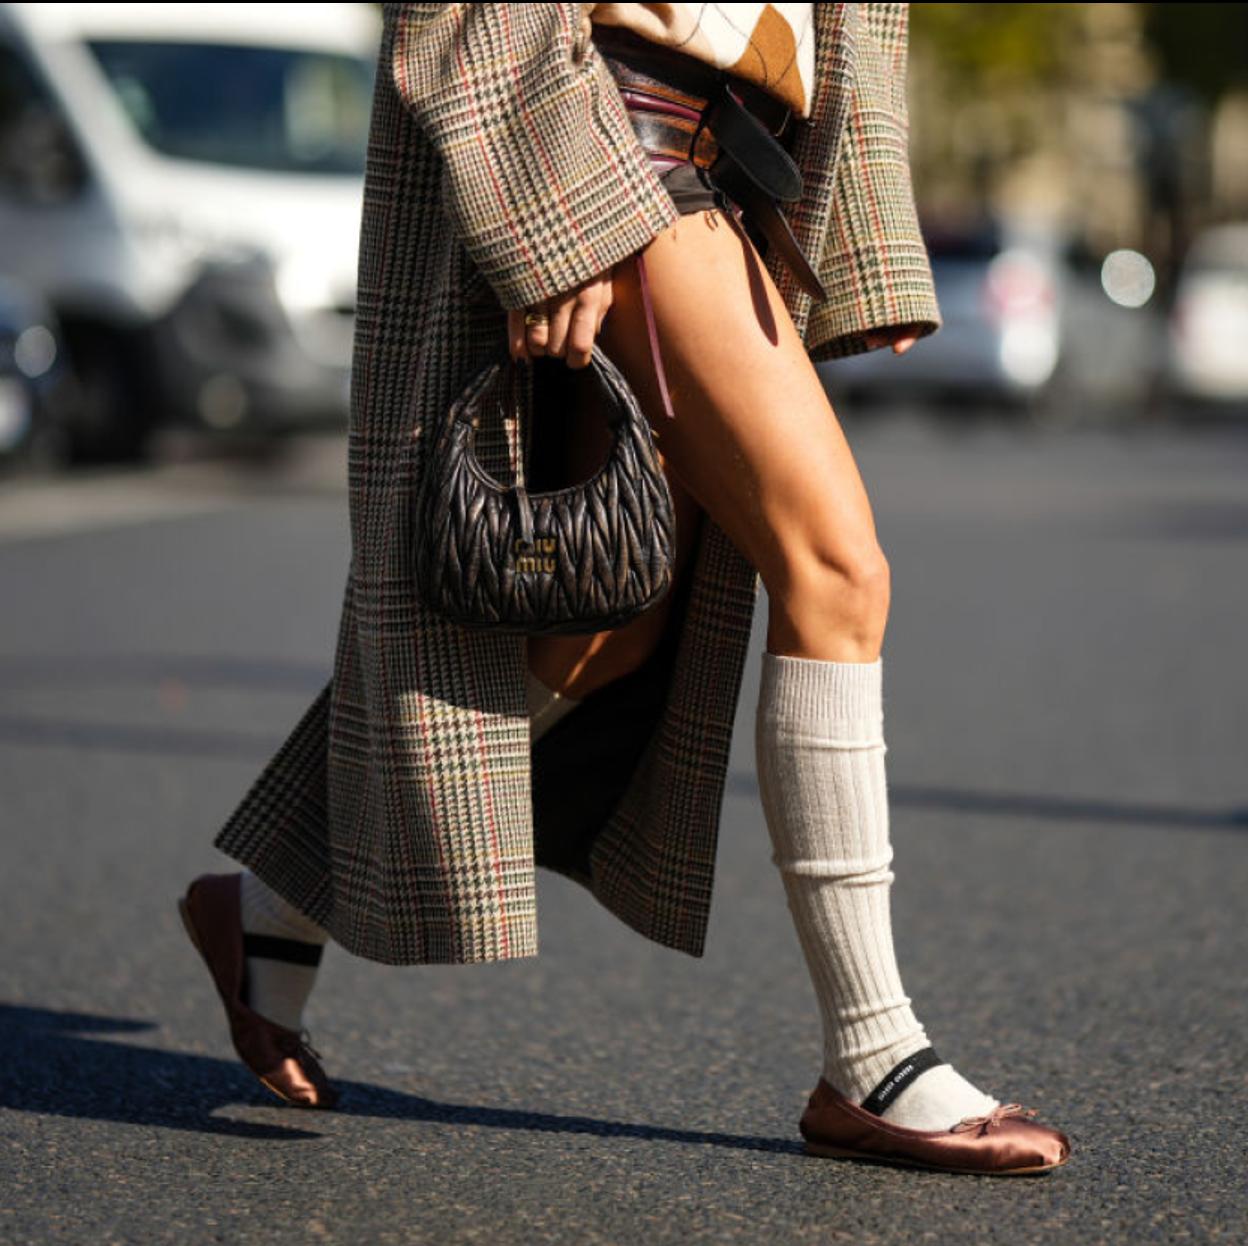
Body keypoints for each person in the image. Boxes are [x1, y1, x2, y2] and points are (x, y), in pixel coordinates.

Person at [179, 3, 1070, 1176]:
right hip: (612, 144)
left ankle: (270, 907)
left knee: (608, 633)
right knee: (836, 565)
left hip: (727, 151)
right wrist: (553, 214)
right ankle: (874, 1054)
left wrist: (861, 221)